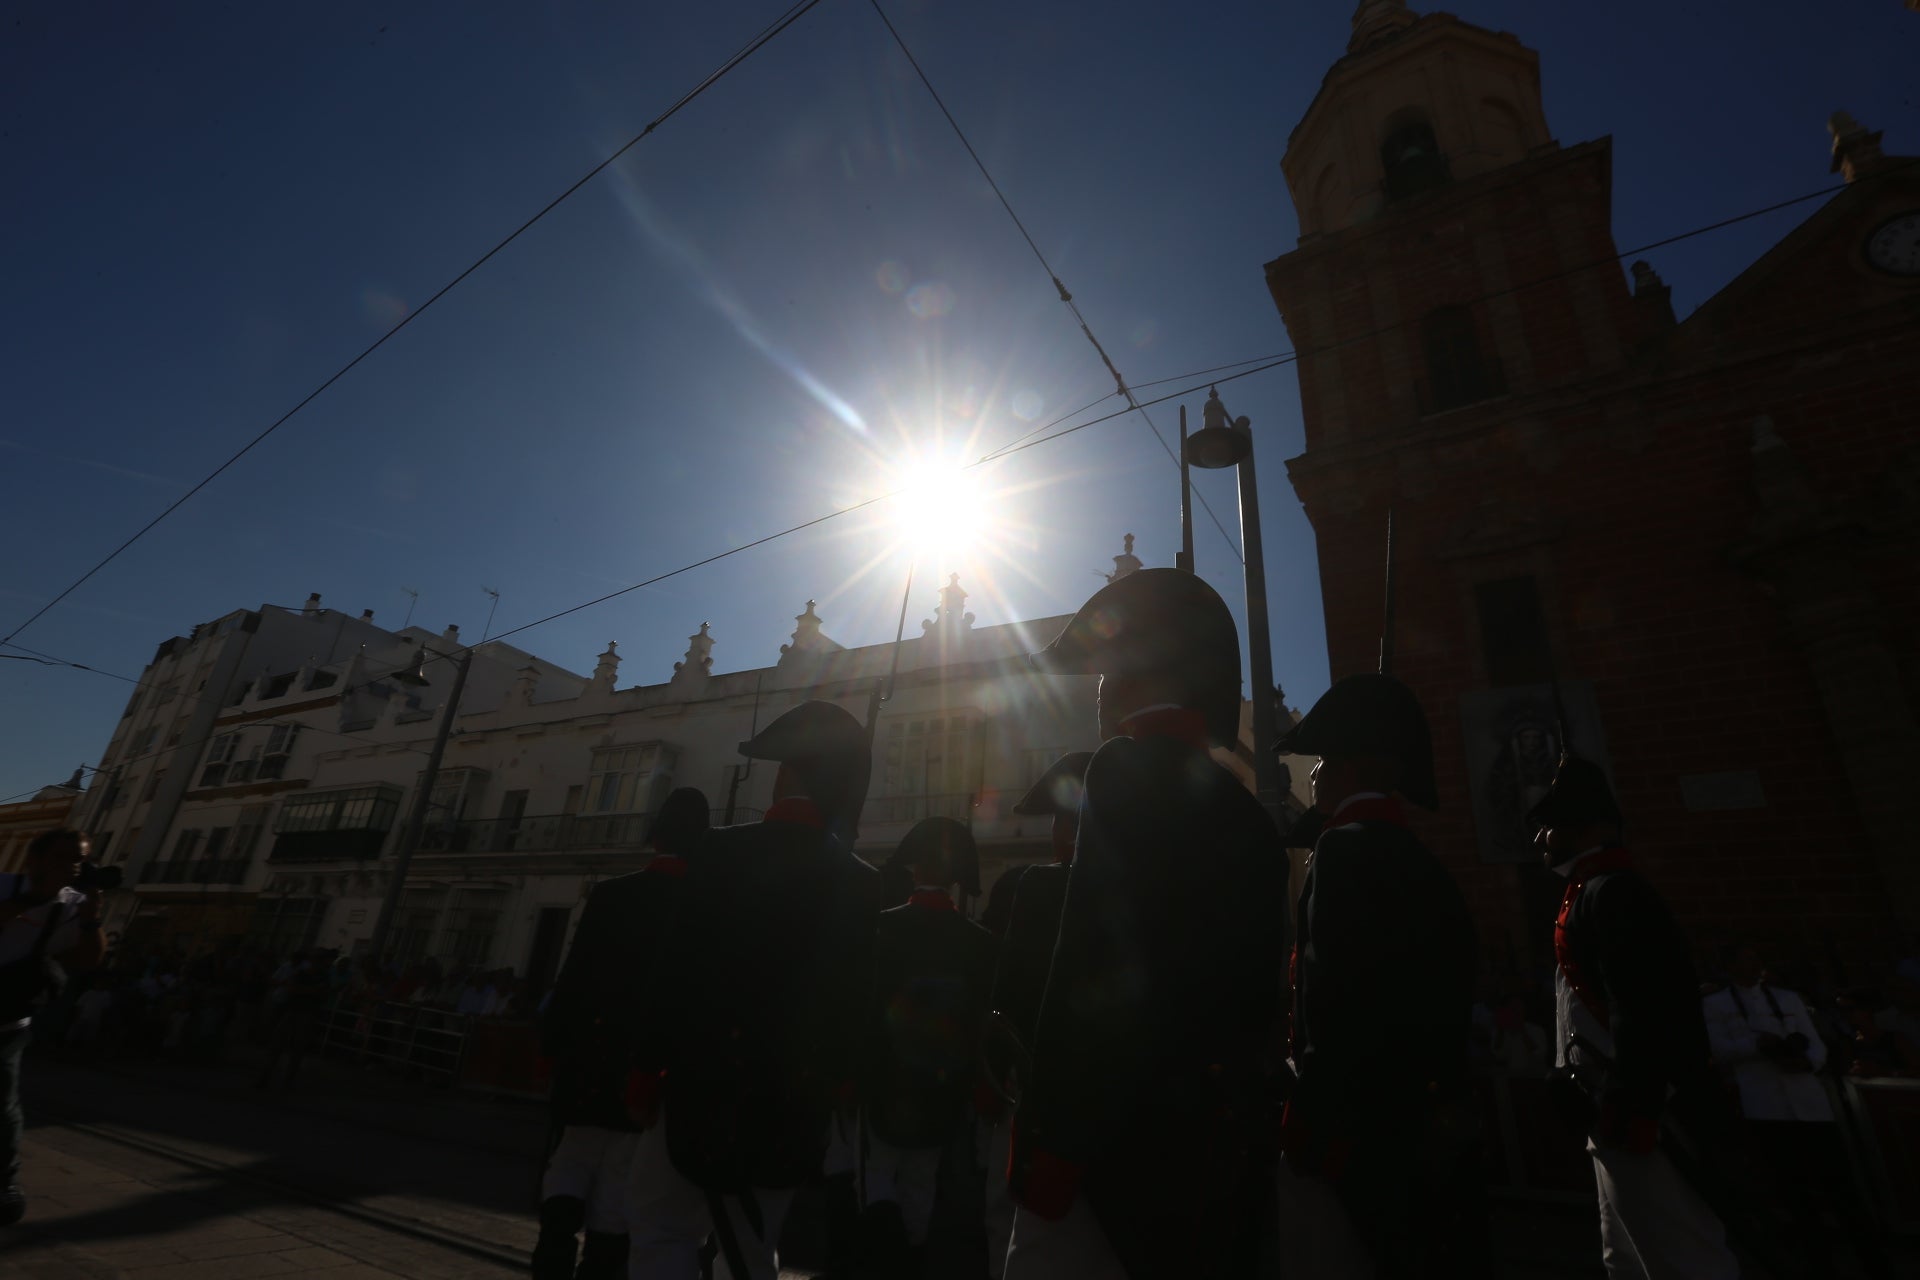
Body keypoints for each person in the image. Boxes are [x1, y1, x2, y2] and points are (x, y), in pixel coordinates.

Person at [1005, 568, 1287, 1279]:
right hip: (1208, 1148)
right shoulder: (1248, 816)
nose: (1098, 693)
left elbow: (1095, 969)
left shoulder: (1121, 770)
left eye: (1105, 673)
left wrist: (1054, 1140)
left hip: (1115, 1148)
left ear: (1132, 678)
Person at [627, 701, 881, 1280]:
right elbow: (851, 1003)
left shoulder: (719, 851)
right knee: (752, 1246)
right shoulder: (861, 882)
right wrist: (834, 1087)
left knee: (661, 1225)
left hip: (700, 1084)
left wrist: (645, 1068)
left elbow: (676, 971)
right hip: (789, 1103)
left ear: (784, 773)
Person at [1275, 673, 1484, 1278]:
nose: (1314, 773)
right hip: (1417, 1112)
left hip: (1359, 1123)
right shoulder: (1422, 860)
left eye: (1323, 762)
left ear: (1345, 771)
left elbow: (1333, 995)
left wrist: (1314, 1115)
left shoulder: (1341, 850)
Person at [1533, 754, 1740, 1279]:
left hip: (1640, 1108)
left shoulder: (1615, 892)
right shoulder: (1592, 890)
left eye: (1551, 825)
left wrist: (1635, 1100)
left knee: (1680, 1255)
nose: (1541, 838)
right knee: (1624, 1254)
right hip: (1608, 1105)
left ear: (1587, 825)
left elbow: (1643, 1004)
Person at [533, 787, 709, 1280]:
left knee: (570, 1160)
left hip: (589, 1057)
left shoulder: (612, 894)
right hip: (650, 1066)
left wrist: (550, 1047)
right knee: (618, 1182)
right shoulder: (704, 906)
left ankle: (552, 1252)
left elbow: (574, 977)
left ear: (656, 839)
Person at [854, 817, 997, 1276]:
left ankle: (880, 1259)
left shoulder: (881, 928)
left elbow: (864, 1010)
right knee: (921, 1182)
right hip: (942, 1087)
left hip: (882, 1082)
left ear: (915, 869)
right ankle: (911, 1258)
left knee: (875, 1176)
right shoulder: (979, 943)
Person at [1704, 946, 1889, 1277]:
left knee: (1842, 1188)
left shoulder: (1787, 999)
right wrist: (1757, 1046)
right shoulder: (1715, 1005)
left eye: (1756, 959)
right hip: (1765, 1106)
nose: (1754, 966)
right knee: (1795, 1193)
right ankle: (1820, 1265)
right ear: (1729, 967)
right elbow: (1719, 1049)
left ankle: (1872, 1262)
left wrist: (1807, 1061)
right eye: (1745, 960)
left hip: (1810, 1102)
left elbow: (1814, 1043)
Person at [982, 751, 1090, 1279]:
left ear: (1069, 829)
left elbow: (1013, 991)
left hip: (1041, 1087)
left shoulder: (1040, 886)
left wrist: (996, 1071)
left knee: (1014, 1221)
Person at [1, 828, 107, 1226]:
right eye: (63, 857)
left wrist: (91, 920)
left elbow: (88, 960)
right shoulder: (4, 887)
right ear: (34, 859)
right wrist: (34, 898)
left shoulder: (73, 906)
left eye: (79, 860)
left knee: (3, 1105)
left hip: (8, 1021)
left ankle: (4, 1181)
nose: (73, 867)